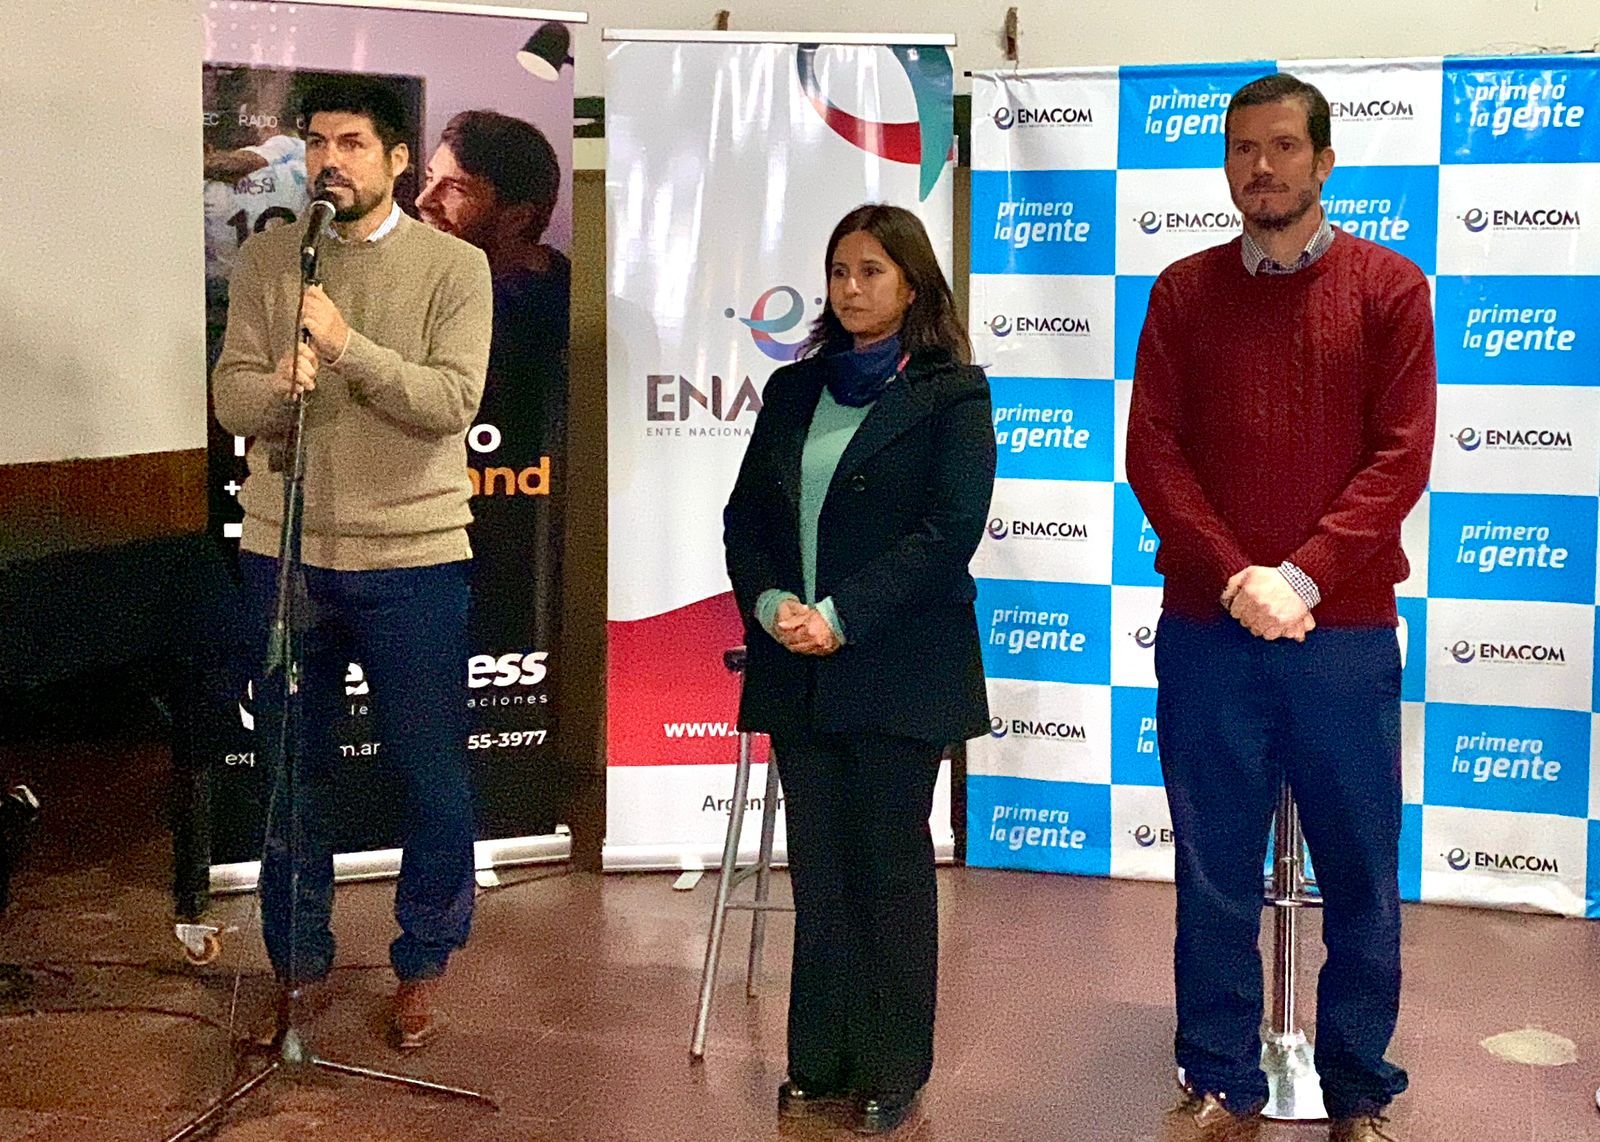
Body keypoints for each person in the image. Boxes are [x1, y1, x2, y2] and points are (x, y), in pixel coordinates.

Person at [1126, 73, 1434, 1142]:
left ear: (1324, 162)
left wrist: (1298, 577)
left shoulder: (1390, 288)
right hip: (1209, 631)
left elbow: (1400, 458)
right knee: (1214, 873)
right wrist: (1235, 577)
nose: (1261, 166)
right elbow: (1153, 453)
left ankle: (1359, 1090)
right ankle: (1220, 1077)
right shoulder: (1182, 292)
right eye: (1242, 148)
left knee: (1362, 876)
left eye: (1284, 146)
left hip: (1342, 634)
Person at [212, 75, 493, 1051]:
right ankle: (298, 966)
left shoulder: (454, 266)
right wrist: (276, 389)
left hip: (414, 561)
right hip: (284, 557)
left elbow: (449, 401)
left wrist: (346, 347)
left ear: (399, 158)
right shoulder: (270, 258)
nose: (330, 161)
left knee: (430, 775)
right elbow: (231, 399)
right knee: (293, 773)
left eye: (353, 143)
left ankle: (422, 964)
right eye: (318, 142)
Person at [724, 204, 996, 1135]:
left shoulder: (953, 396)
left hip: (898, 667)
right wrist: (771, 603)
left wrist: (841, 617)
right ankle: (818, 1060)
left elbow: (947, 532)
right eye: (839, 271)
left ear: (912, 285)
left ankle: (892, 1066)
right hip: (796, 668)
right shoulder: (795, 389)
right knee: (821, 873)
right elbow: (746, 521)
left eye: (871, 271)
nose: (850, 288)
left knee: (888, 869)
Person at [416, 110, 570, 655]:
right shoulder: (543, 280)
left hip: (510, 571)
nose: (424, 201)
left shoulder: (536, 309)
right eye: (429, 178)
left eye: (454, 188)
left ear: (517, 216)